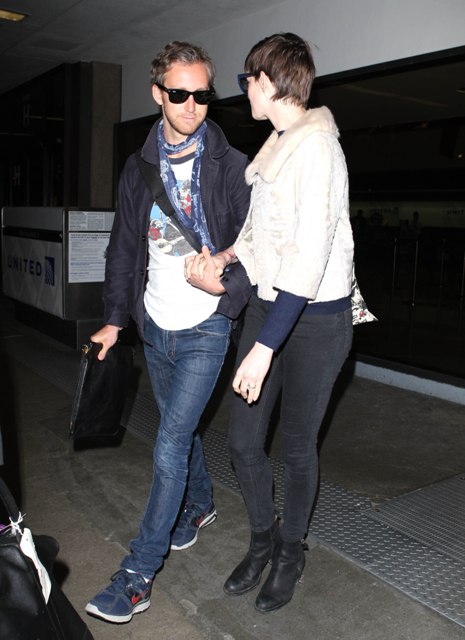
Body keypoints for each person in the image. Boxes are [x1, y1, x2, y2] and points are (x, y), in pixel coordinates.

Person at [187, 32, 354, 614]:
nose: (244, 92)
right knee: (242, 442)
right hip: (270, 305)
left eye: (246, 80)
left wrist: (263, 347)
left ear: (269, 81)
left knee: (299, 446)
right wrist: (226, 256)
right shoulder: (276, 147)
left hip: (316, 319)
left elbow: (308, 258)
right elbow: (261, 232)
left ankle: (290, 550)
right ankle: (262, 539)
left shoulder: (318, 150)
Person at [85, 41, 251, 624]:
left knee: (169, 444)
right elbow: (123, 248)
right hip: (155, 323)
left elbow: (257, 248)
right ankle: (199, 503)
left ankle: (137, 574)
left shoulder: (233, 166)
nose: (191, 105)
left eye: (202, 95)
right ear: (158, 93)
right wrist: (116, 318)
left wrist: (225, 287)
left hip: (207, 326)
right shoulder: (139, 168)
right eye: (179, 94)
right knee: (181, 433)